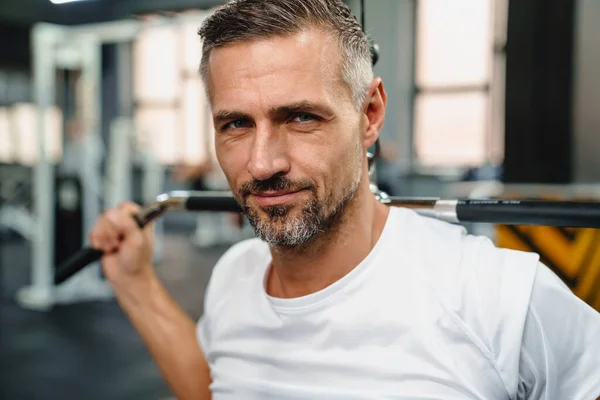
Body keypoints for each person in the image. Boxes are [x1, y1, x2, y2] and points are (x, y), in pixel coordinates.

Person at [88, 1, 600, 399]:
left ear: (370, 114)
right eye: (237, 123)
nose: (263, 164)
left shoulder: (499, 297)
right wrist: (136, 285)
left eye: (301, 117)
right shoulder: (234, 276)